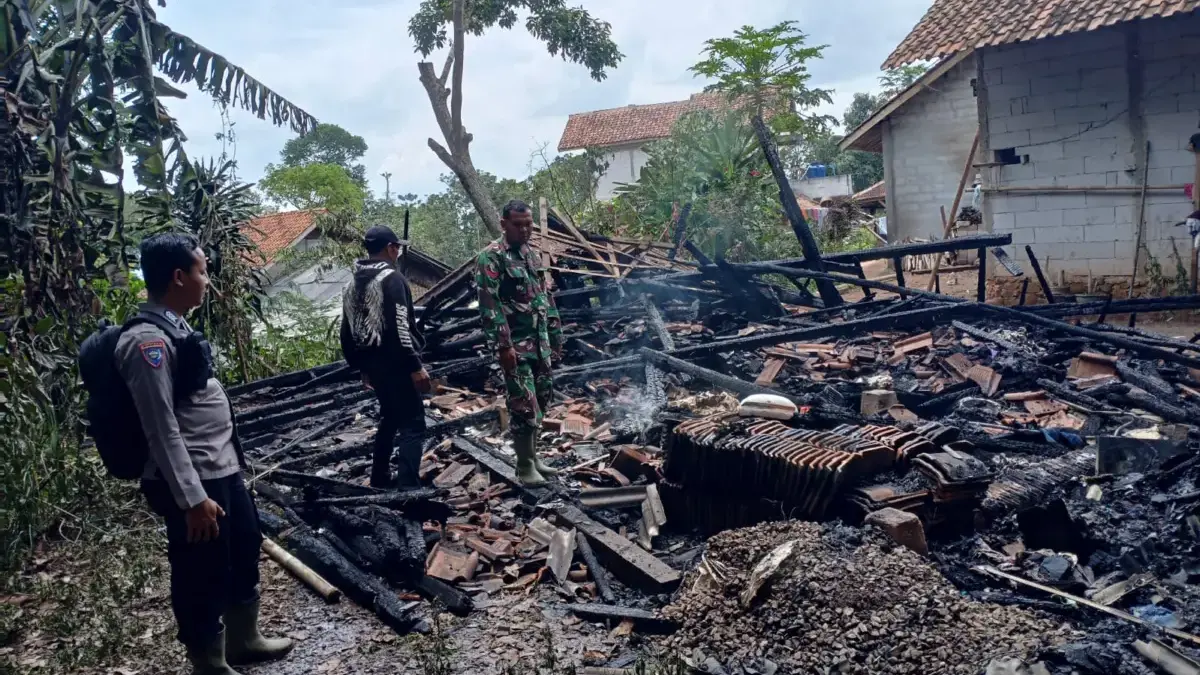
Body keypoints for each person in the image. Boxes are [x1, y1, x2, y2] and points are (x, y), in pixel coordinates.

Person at [117, 233, 291, 675]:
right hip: (192, 480)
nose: (207, 281)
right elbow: (160, 427)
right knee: (201, 571)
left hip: (222, 467)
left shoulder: (178, 327)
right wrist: (192, 500)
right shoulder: (146, 344)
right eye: (202, 271)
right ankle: (208, 662)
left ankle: (244, 641)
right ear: (178, 277)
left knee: (244, 545)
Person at [475, 200, 564, 485]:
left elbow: (545, 298)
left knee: (540, 400)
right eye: (518, 224)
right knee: (523, 405)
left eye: (529, 224)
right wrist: (503, 346)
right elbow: (490, 307)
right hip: (516, 346)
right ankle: (524, 466)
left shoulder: (531, 255)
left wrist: (555, 336)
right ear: (504, 224)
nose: (525, 230)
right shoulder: (491, 258)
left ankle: (534, 457)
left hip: (540, 344)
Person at [340, 225, 432, 488]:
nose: (398, 252)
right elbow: (401, 326)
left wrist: (361, 367)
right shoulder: (393, 279)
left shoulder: (351, 282)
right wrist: (415, 365)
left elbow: (347, 330)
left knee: (390, 417)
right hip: (397, 364)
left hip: (373, 365)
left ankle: (379, 477)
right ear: (391, 248)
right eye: (397, 247)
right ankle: (408, 487)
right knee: (413, 424)